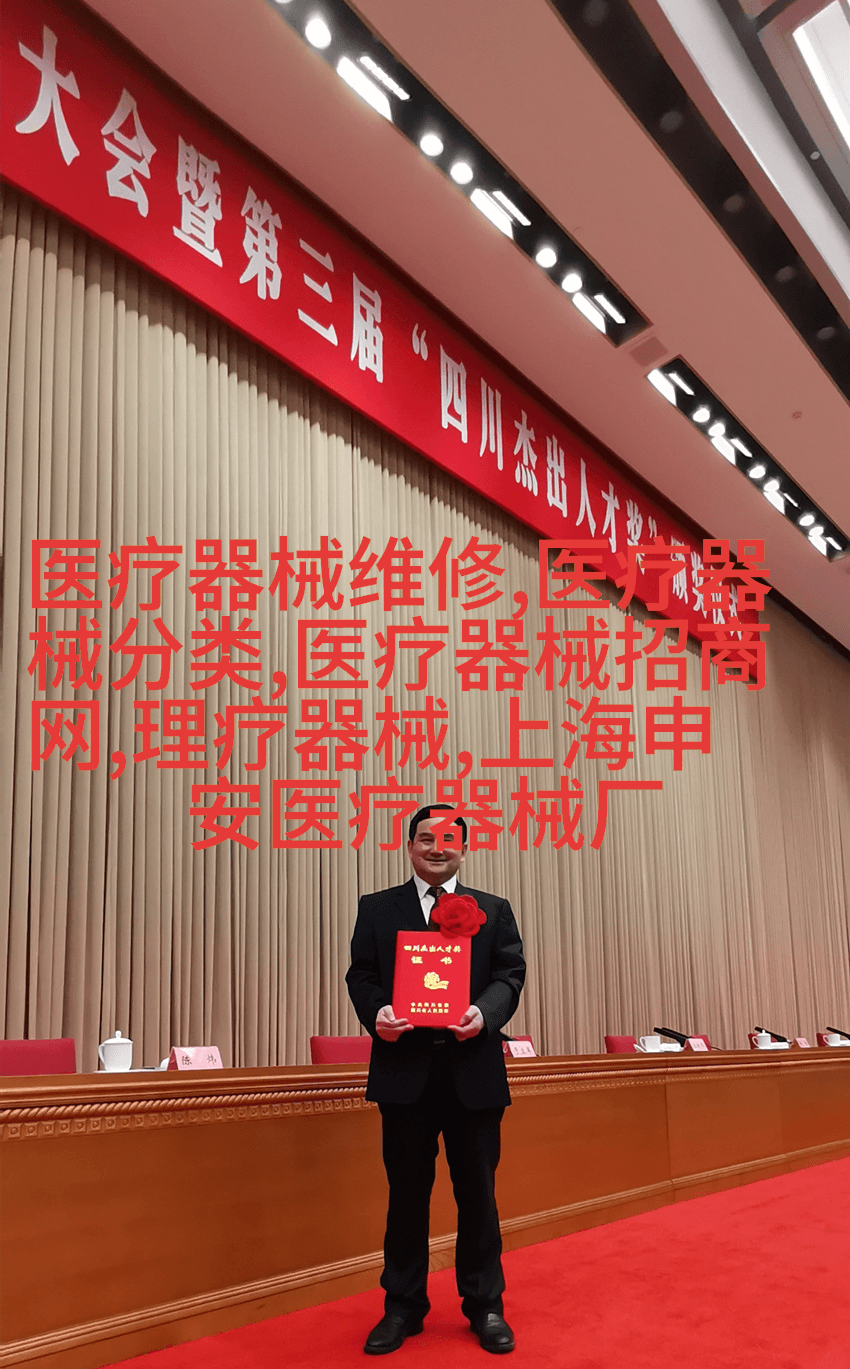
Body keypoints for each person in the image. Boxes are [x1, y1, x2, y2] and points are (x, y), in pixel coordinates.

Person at [346, 804, 526, 1355]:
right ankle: (402, 1308)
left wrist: (485, 1013)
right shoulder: (378, 908)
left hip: (474, 1073)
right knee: (406, 1198)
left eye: (448, 839)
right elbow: (362, 975)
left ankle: (485, 1306)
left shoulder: (492, 909)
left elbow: (509, 974)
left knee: (479, 1196)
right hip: (405, 1074)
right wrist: (377, 1013)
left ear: (463, 850)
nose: (437, 848)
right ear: (410, 846)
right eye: (426, 838)